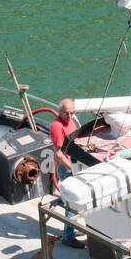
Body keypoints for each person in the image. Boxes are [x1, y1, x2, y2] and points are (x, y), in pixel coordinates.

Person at [49, 99, 83, 247]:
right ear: (60, 112)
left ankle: (72, 229)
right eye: (66, 113)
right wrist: (72, 168)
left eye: (72, 113)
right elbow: (58, 154)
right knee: (73, 202)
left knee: (77, 200)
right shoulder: (57, 127)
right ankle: (68, 237)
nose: (69, 116)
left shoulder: (70, 122)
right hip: (66, 167)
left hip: (74, 163)